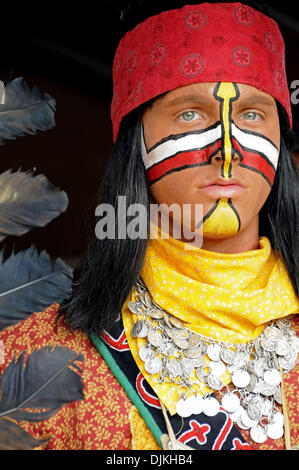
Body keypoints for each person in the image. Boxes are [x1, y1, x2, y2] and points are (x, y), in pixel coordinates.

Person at [0, 0, 298, 451]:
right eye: (190, 113)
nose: (228, 150)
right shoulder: (36, 356)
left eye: (252, 115)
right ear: (136, 143)